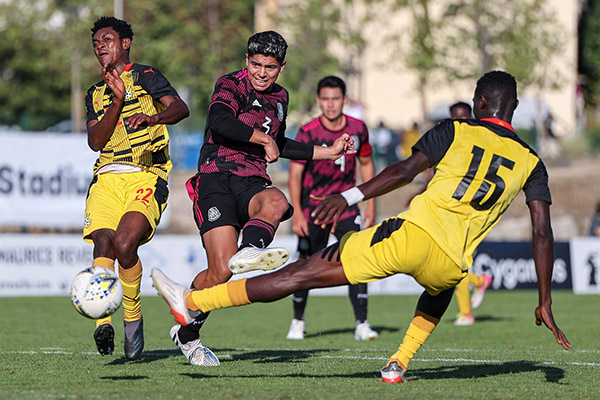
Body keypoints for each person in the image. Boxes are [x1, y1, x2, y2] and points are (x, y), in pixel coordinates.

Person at [152, 70, 571, 383]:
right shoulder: (532, 161)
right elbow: (542, 232)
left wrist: (349, 196)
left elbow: (405, 171)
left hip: (409, 237)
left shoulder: (456, 129)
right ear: (512, 109)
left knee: (300, 275)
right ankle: (399, 362)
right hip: (450, 262)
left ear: (479, 102)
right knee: (441, 290)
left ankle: (194, 302)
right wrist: (545, 299)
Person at [170, 31, 355, 366]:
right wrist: (262, 139)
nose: (261, 72)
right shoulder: (230, 84)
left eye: (269, 67)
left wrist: (329, 152)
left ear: (281, 67)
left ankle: (251, 250)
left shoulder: (280, 97)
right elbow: (220, 121)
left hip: (253, 180)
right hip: (215, 178)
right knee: (220, 273)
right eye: (256, 64)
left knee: (278, 202)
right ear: (247, 61)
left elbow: (279, 143)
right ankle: (188, 333)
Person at [83, 16, 189, 360]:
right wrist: (117, 101)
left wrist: (152, 117)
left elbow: (179, 108)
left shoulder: (145, 76)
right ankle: (103, 322)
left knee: (126, 243)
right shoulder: (95, 93)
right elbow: (96, 141)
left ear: (125, 43)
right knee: (103, 241)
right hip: (107, 178)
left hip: (146, 174)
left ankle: (133, 316)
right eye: (96, 41)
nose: (100, 45)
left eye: (108, 39)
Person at [286, 76, 378, 341]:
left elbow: (367, 164)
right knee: (304, 263)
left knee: (358, 260)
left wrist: (370, 203)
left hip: (347, 206)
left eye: (335, 98)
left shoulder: (359, 128)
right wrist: (298, 212)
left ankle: (362, 323)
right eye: (325, 99)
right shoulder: (308, 132)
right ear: (318, 100)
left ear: (345, 100)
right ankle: (297, 321)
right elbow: (295, 175)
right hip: (314, 207)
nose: (330, 104)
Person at [446, 101, 494, 326]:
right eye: (456, 119)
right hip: (450, 210)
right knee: (450, 265)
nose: (460, 122)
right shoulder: (449, 142)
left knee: (456, 264)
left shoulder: (479, 142)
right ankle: (479, 280)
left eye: (464, 118)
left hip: (471, 211)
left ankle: (466, 313)